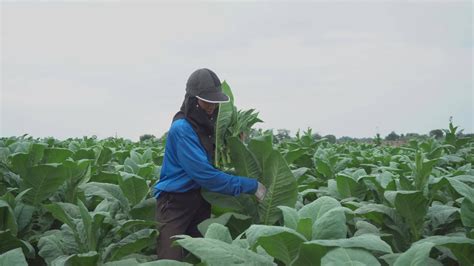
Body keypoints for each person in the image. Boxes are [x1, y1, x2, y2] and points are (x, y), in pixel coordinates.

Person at [154, 68, 267, 260]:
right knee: (170, 258)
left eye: (215, 102)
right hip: (175, 203)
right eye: (207, 101)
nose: (212, 106)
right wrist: (251, 186)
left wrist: (235, 143)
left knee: (200, 257)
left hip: (201, 200)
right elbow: (206, 176)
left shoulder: (208, 126)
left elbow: (217, 157)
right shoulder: (182, 129)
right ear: (193, 99)